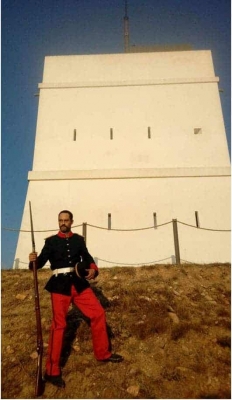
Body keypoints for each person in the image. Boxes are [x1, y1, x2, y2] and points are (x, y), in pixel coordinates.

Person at [29, 210, 123, 388]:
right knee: (59, 326)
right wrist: (32, 260)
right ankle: (52, 371)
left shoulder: (78, 240)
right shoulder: (50, 242)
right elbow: (39, 263)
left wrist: (93, 268)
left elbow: (86, 258)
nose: (63, 223)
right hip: (59, 286)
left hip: (79, 284)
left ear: (71, 221)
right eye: (60, 220)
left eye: (66, 220)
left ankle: (103, 353)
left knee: (98, 313)